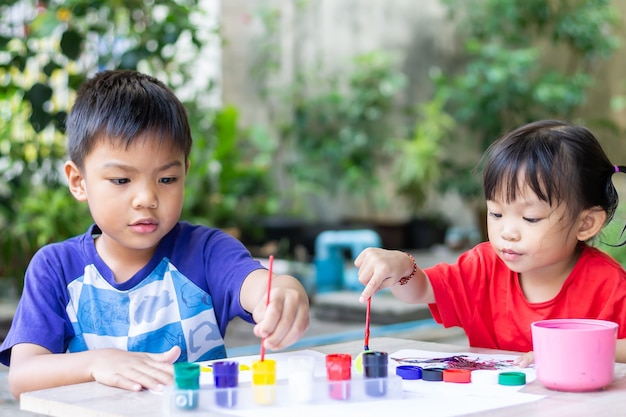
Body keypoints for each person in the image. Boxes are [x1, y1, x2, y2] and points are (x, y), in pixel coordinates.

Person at [0, 70, 310, 398]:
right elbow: (22, 376)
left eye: (167, 179)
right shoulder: (56, 268)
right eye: (121, 180)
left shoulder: (206, 252)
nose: (147, 198)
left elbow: (256, 284)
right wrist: (97, 362)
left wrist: (282, 293)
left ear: (185, 173)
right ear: (78, 181)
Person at [355, 119, 626, 366]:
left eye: (530, 218)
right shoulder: (483, 267)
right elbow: (421, 289)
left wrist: (578, 348)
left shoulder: (609, 286)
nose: (507, 232)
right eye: (496, 213)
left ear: (586, 223)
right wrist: (402, 267)